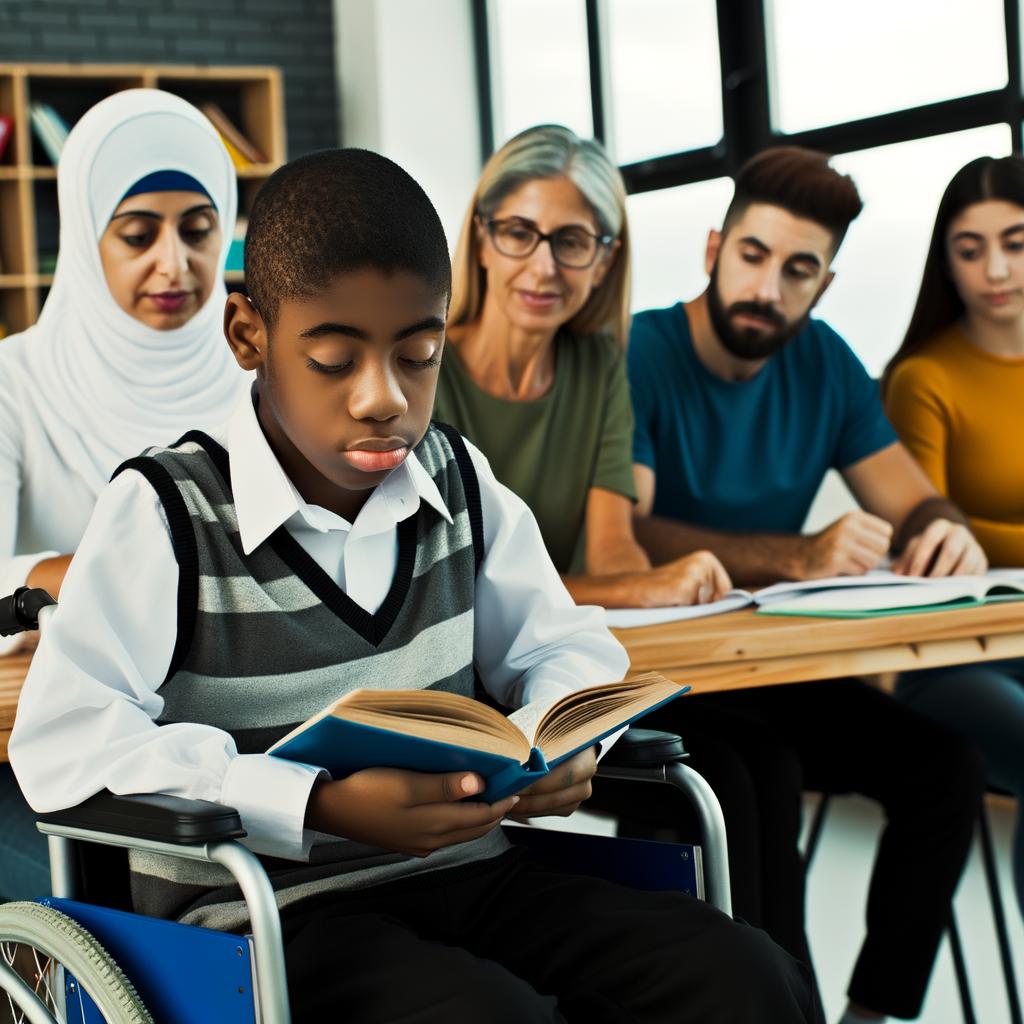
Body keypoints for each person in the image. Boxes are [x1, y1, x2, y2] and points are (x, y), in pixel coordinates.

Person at [9, 148, 819, 1024]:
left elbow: (566, 645)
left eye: (419, 355)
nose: (382, 398)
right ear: (249, 335)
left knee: (744, 975)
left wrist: (562, 740)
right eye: (333, 360)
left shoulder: (458, 479)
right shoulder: (166, 509)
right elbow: (65, 741)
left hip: (470, 873)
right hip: (268, 920)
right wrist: (314, 802)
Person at [625, 146, 988, 1024]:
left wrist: (946, 530)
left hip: (776, 676)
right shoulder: (639, 351)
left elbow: (912, 498)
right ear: (714, 248)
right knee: (768, 773)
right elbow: (632, 535)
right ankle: (789, 1014)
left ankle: (869, 1015)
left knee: (947, 768)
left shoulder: (824, 361)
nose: (769, 288)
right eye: (753, 257)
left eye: (799, 270)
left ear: (824, 284)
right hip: (662, 684)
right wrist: (797, 556)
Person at [0, 89, 248, 902]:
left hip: (242, 746)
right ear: (85, 235)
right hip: (52, 765)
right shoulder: (17, 384)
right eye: (138, 235)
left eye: (200, 231)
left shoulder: (263, 377)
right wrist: (81, 573)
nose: (174, 265)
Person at [434, 124, 731, 609]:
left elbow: (611, 549)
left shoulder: (601, 366)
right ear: (483, 240)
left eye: (570, 242)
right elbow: (447, 586)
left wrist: (672, 586)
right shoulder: (421, 366)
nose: (544, 266)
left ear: (604, 261)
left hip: (555, 655)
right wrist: (638, 588)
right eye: (518, 233)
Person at [883, 154, 1024, 918]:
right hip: (949, 657)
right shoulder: (923, 378)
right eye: (970, 250)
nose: (995, 268)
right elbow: (929, 533)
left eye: (1016, 242)